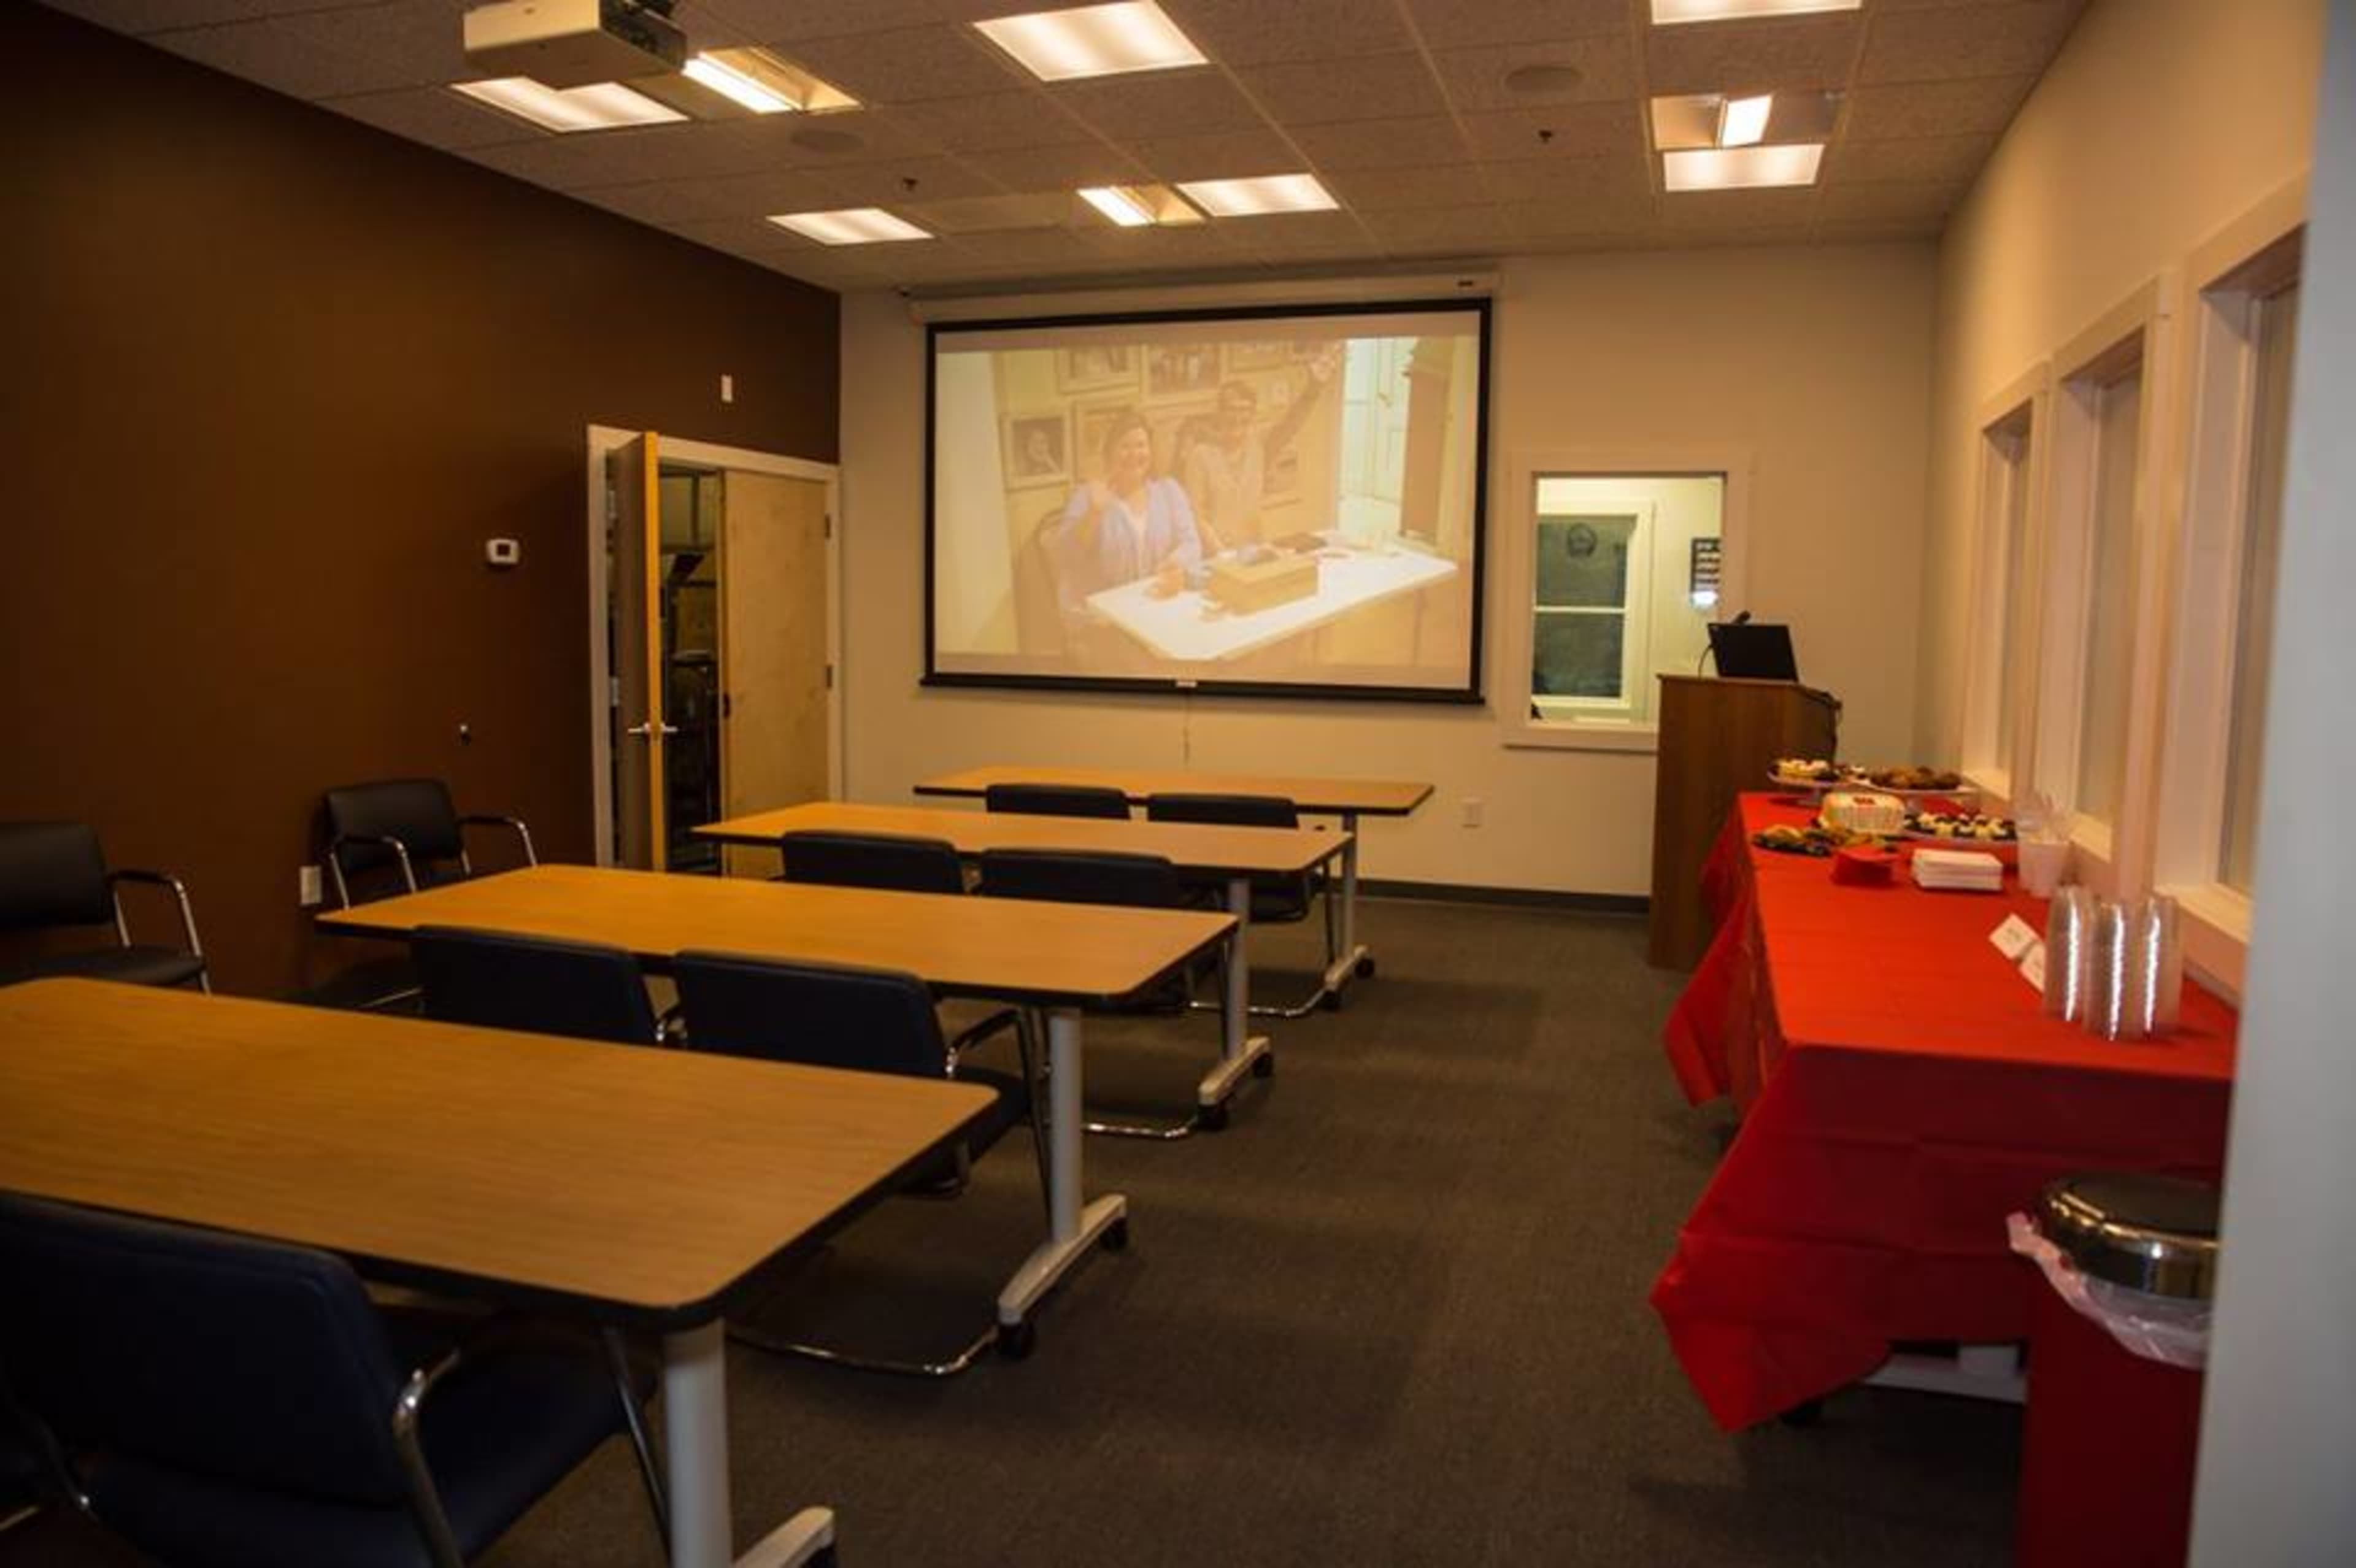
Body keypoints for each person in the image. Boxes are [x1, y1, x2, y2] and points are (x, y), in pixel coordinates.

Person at [1180, 344, 1341, 553]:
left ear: (1252, 414)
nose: (1238, 416)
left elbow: (1291, 424)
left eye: (1246, 410)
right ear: (1219, 413)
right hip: (1213, 557)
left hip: (1252, 552)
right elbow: (1196, 516)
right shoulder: (1200, 456)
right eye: (1232, 409)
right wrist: (1223, 554)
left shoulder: (1259, 446)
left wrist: (1314, 387)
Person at [1050, 407, 1202, 618]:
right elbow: (1066, 557)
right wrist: (1093, 513)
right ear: (1110, 453)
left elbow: (1192, 544)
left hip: (1156, 604)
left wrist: (1174, 562)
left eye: (1141, 445)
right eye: (1125, 447)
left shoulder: (1168, 491)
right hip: (1105, 617)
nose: (1134, 455)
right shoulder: (1087, 496)